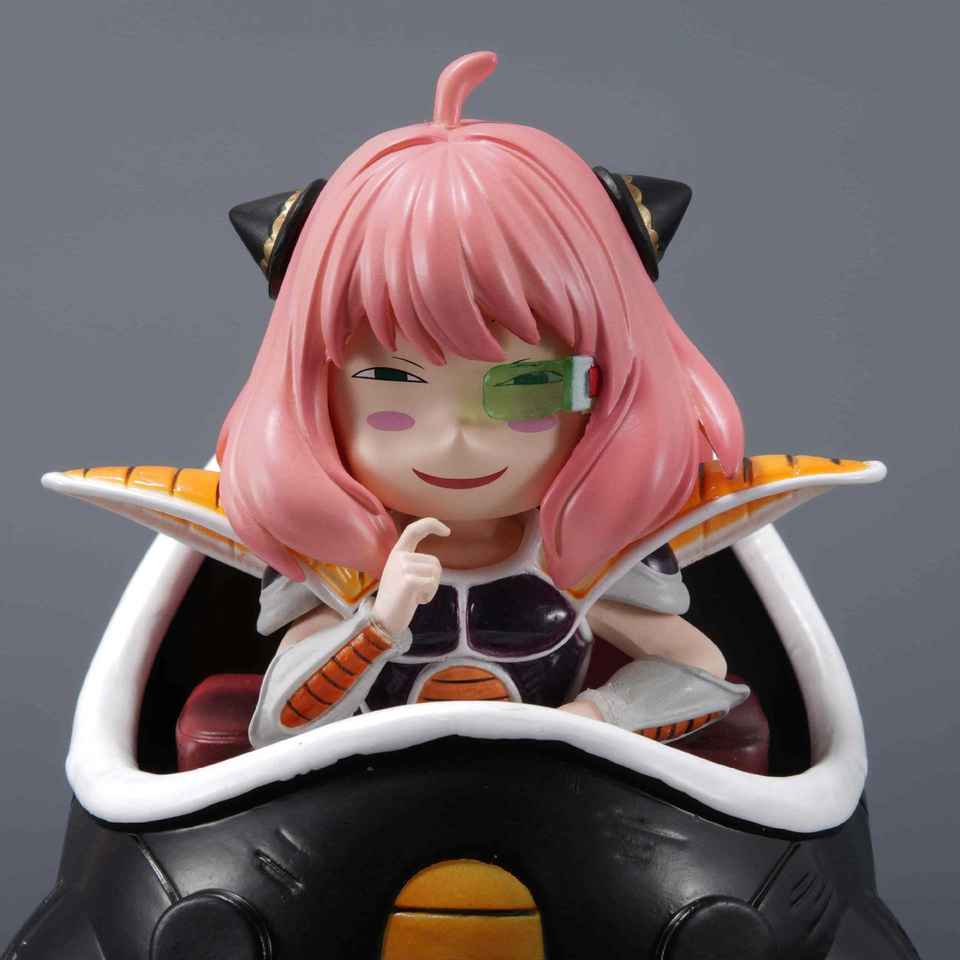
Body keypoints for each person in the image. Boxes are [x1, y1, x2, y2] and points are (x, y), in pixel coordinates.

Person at [212, 51, 751, 748]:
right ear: (316, 400)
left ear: (605, 390)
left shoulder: (580, 559)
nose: (457, 437)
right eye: (394, 389)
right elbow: (280, 724)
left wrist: (587, 724)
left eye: (525, 389)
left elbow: (698, 668)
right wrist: (378, 623)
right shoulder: (340, 565)